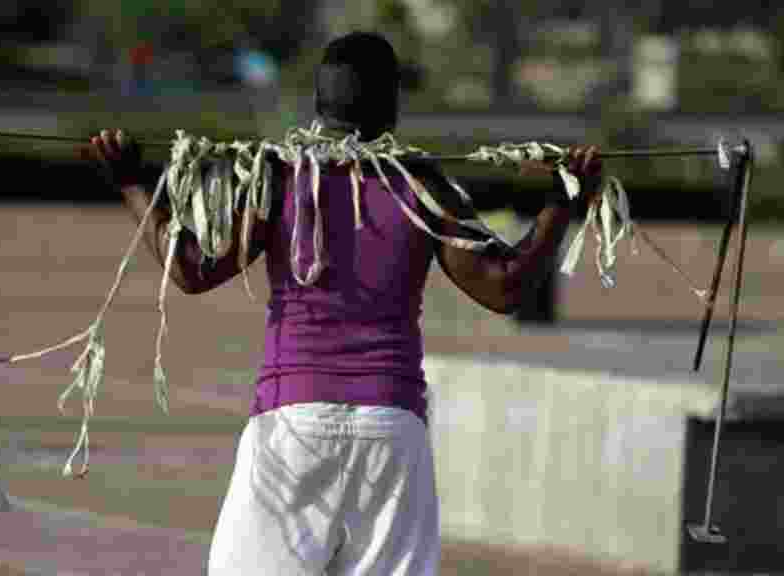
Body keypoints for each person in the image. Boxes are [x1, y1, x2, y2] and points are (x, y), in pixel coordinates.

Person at [92, 31, 602, 576]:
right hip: (392, 434)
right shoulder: (421, 184)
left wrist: (130, 183)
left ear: (318, 104)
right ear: (393, 106)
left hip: (293, 427)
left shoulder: (281, 175)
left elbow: (192, 270)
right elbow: (504, 287)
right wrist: (561, 200)